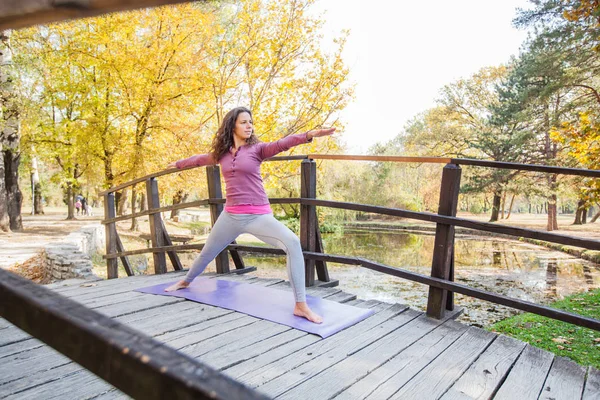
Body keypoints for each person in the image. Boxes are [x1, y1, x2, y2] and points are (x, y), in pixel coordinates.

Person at [165, 107, 335, 324]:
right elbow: (200, 159)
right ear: (232, 126)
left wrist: (308, 135)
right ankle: (185, 281)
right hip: (230, 216)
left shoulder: (258, 149)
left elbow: (282, 143)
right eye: (244, 122)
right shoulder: (223, 154)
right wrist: (179, 164)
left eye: (250, 122)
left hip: (258, 216)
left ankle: (300, 305)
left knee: (292, 243)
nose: (249, 126)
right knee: (207, 252)